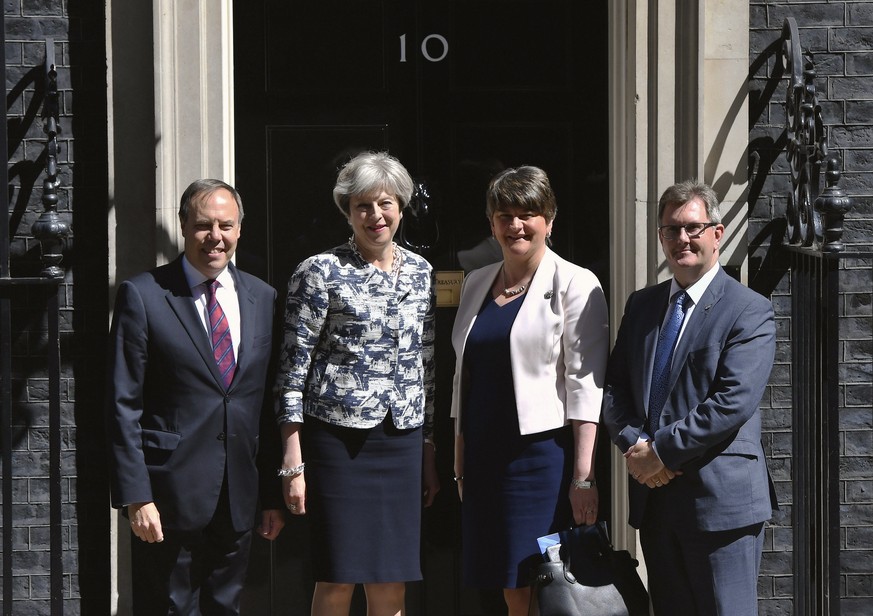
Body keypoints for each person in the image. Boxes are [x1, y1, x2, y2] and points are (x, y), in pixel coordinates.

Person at [105, 179, 285, 614]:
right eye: (204, 225)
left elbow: (266, 403)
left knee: (227, 607)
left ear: (240, 229)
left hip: (239, 494)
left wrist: (271, 496)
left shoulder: (264, 298)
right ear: (183, 226)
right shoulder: (144, 295)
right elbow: (121, 402)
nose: (215, 237)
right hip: (167, 495)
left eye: (226, 225)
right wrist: (136, 495)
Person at [602, 180, 777, 615]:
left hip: (722, 506)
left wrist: (660, 452)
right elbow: (614, 389)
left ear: (717, 234)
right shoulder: (641, 305)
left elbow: (732, 402)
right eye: (671, 230)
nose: (682, 238)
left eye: (693, 228)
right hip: (657, 504)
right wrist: (633, 445)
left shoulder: (748, 309)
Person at [276, 151, 440, 616]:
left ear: (401, 207)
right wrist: (292, 460)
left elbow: (426, 366)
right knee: (337, 576)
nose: (375, 216)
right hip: (337, 443)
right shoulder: (319, 271)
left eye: (384, 204)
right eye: (362, 206)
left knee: (392, 581)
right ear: (347, 211)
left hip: (402, 441)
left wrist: (427, 450)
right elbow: (292, 369)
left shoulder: (421, 273)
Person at [450, 166, 609, 615]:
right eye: (504, 215)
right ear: (492, 223)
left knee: (546, 577)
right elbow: (465, 377)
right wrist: (460, 461)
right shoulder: (476, 284)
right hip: (484, 459)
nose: (515, 225)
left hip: (540, 460)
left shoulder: (576, 283)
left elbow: (585, 385)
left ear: (550, 221)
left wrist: (583, 477)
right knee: (507, 581)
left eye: (528, 214)